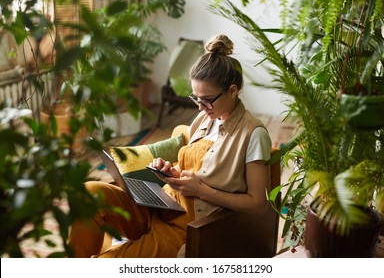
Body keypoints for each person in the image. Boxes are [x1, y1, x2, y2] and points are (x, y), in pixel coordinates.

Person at [68, 34, 272, 258]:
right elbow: (196, 170)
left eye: (207, 99)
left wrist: (203, 191)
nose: (200, 107)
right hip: (163, 207)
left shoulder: (253, 134)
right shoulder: (205, 119)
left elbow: (258, 204)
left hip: (189, 228)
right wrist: (170, 172)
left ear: (232, 91)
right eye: (196, 98)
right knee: (90, 193)